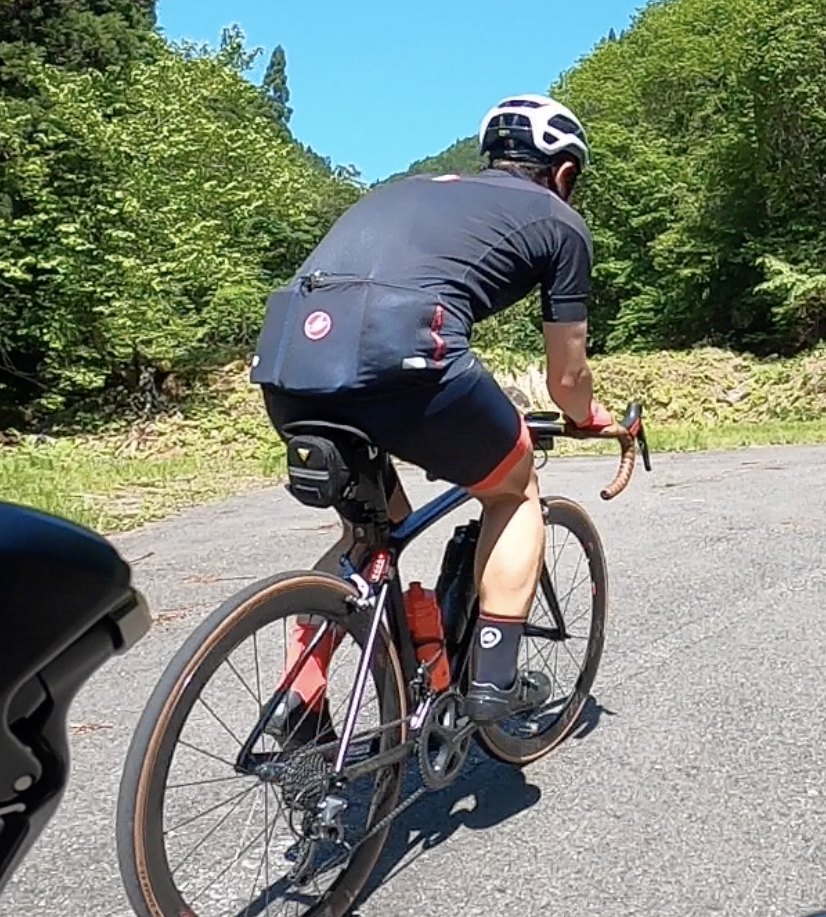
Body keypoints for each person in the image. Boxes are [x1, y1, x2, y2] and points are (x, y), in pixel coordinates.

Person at [249, 93, 615, 733]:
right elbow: (567, 378)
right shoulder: (560, 222)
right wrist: (589, 416)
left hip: (290, 362)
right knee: (515, 490)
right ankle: (492, 683)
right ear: (563, 172)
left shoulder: (407, 189)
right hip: (404, 358)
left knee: (371, 530)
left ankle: (298, 698)